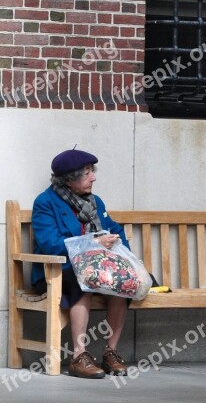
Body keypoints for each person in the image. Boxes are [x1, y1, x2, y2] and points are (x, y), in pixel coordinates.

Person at [31, 148, 132, 379]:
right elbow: (51, 244)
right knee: (84, 279)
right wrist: (94, 242)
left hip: (94, 268)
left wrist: (123, 253)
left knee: (120, 282)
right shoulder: (45, 203)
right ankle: (79, 356)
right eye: (87, 173)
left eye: (92, 172)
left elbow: (115, 229)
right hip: (57, 271)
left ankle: (111, 353)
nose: (93, 177)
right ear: (69, 179)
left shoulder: (95, 201)